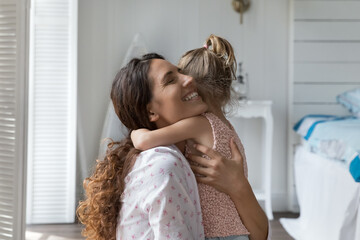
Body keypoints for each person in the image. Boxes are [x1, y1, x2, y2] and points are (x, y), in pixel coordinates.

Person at [77, 52, 269, 240]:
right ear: (150, 111)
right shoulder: (164, 166)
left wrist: (239, 186)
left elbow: (260, 233)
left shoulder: (197, 155)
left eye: (181, 72)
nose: (189, 79)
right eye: (170, 80)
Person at [131, 35, 268, 240]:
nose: (186, 82)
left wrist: (135, 132)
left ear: (195, 89)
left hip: (217, 235)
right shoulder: (226, 126)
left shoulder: (199, 124)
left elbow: (144, 141)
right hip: (240, 231)